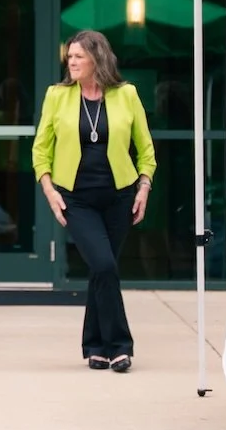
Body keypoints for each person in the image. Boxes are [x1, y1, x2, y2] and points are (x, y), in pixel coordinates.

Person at [33, 30, 157, 372]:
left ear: (97, 59)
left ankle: (95, 346)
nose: (71, 62)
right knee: (104, 265)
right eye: (69, 57)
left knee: (102, 272)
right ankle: (120, 345)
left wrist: (143, 187)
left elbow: (145, 149)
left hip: (120, 196)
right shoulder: (57, 96)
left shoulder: (126, 95)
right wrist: (50, 191)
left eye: (78, 57)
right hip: (76, 198)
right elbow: (40, 149)